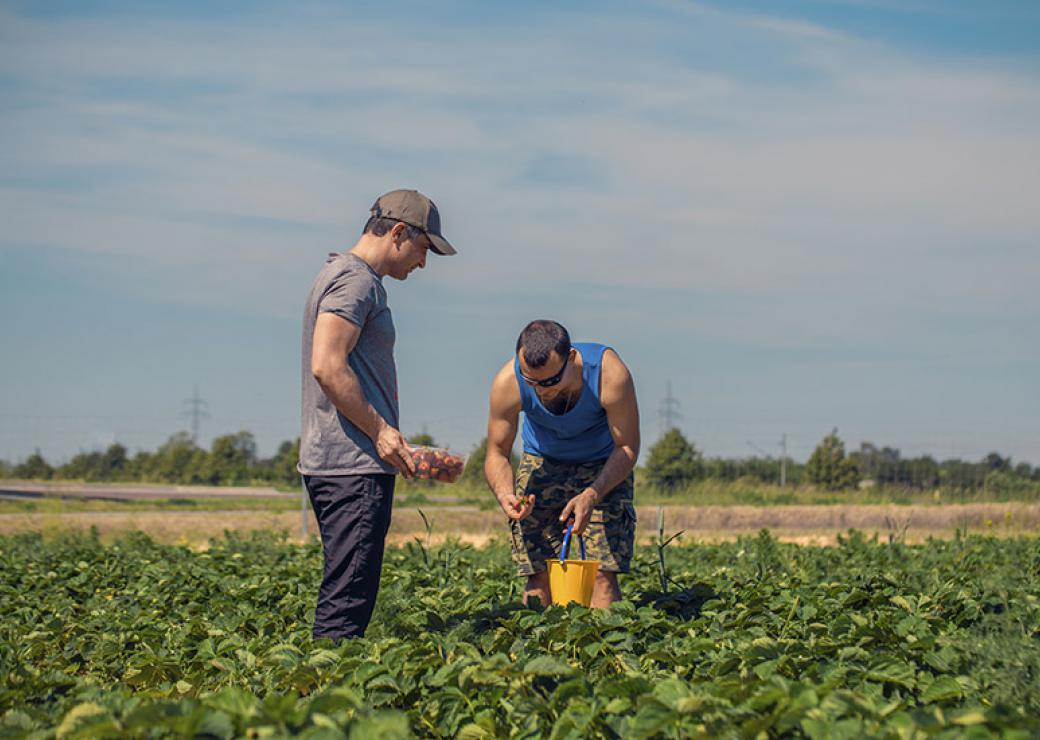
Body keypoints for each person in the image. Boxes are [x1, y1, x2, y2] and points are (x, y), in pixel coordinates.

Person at [299, 189, 457, 640]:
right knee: (346, 603)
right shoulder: (357, 281)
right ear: (398, 232)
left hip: (337, 461)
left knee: (345, 591)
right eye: (424, 250)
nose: (422, 264)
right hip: (352, 465)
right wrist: (382, 432)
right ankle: (326, 699)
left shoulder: (339, 274)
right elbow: (327, 365)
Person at [484, 319, 640, 608]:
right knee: (538, 569)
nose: (542, 390)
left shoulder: (608, 373)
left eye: (551, 381)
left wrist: (593, 494)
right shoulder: (508, 382)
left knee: (601, 572)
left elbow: (627, 447)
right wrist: (505, 493)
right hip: (542, 462)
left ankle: (603, 648)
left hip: (603, 464)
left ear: (571, 358)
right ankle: (539, 644)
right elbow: (496, 453)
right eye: (532, 381)